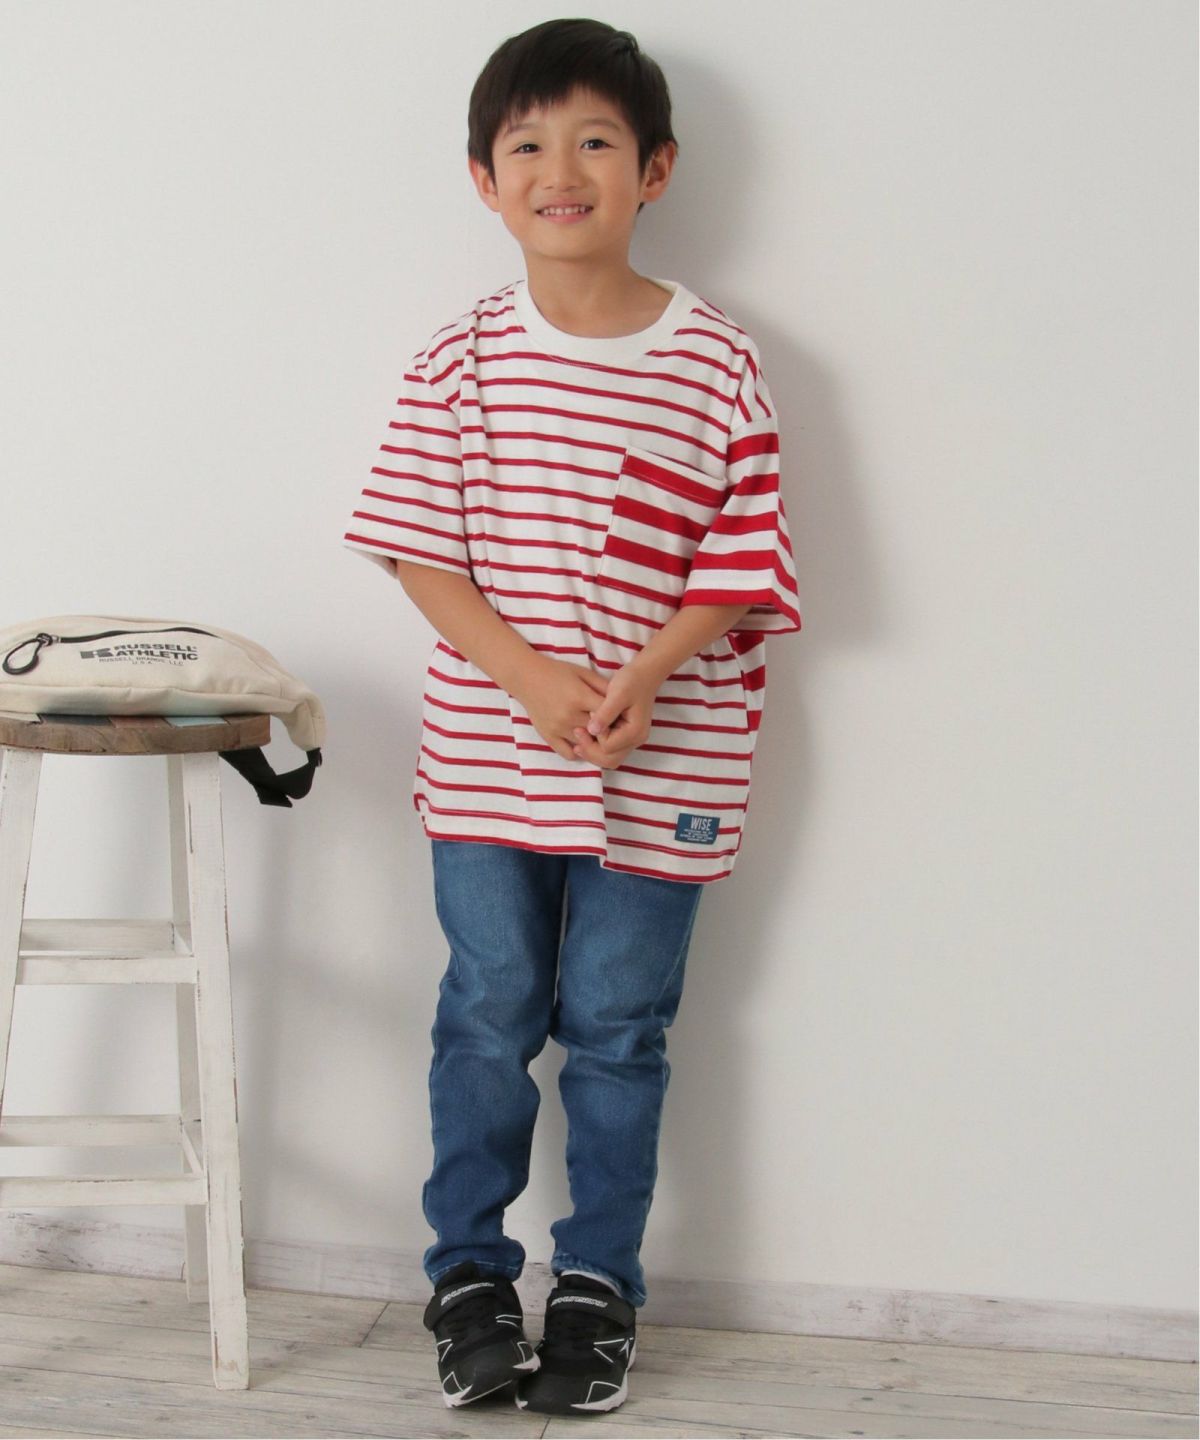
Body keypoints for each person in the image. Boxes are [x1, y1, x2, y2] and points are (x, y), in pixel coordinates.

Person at [340, 17, 800, 1418]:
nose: (562, 169)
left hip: (671, 754)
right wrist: (534, 680)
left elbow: (741, 563)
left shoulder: (716, 362)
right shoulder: (460, 361)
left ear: (654, 168)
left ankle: (599, 1283)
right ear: (485, 180)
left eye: (596, 140)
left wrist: (646, 673)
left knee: (617, 1027)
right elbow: (420, 550)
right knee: (487, 1014)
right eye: (528, 144)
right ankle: (468, 1275)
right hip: (492, 758)